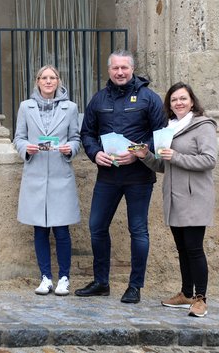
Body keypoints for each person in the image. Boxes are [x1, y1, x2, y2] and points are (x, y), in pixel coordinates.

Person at [75, 50, 166, 304]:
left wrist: (138, 153)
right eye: (115, 68)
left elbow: (160, 135)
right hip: (108, 176)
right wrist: (95, 154)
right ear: (109, 70)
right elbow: (87, 134)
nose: (120, 72)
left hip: (139, 176)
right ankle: (101, 282)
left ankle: (135, 286)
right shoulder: (98, 99)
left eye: (124, 68)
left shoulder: (149, 98)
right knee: (96, 227)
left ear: (132, 69)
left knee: (138, 231)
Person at [130, 82, 217, 317]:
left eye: (183, 99)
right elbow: (162, 165)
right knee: (182, 248)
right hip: (174, 196)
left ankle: (201, 298)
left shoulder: (203, 126)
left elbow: (209, 160)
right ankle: (186, 293)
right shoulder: (168, 128)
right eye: (174, 100)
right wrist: (145, 155)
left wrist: (176, 156)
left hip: (195, 196)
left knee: (194, 248)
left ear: (192, 101)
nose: (178, 103)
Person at [13, 65, 81, 296]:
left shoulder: (70, 108)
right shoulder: (26, 107)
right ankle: (45, 277)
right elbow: (19, 138)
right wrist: (27, 148)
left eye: (53, 78)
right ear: (37, 81)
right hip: (36, 174)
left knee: (62, 230)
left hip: (61, 175)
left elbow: (75, 138)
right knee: (40, 230)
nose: (49, 81)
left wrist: (69, 149)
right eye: (44, 78)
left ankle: (64, 277)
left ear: (58, 81)